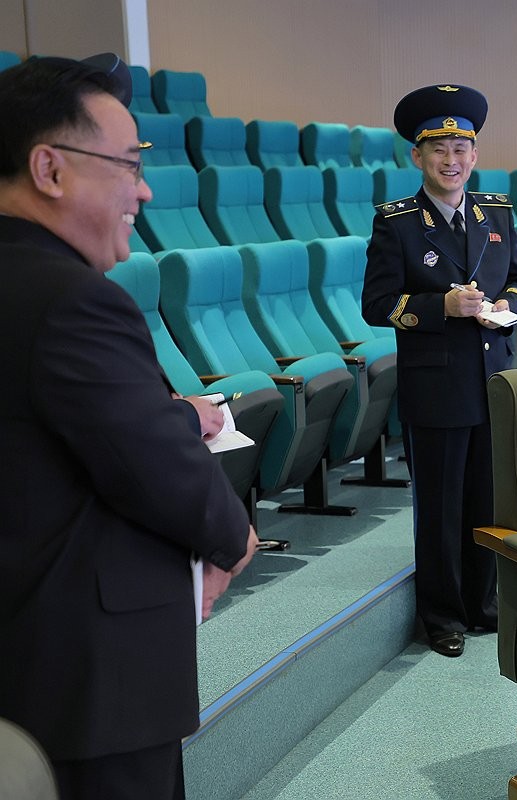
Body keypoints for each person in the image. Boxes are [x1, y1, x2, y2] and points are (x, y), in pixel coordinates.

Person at [0, 54, 257, 800]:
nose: (143, 188)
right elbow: (151, 466)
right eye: (126, 163)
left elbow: (53, 427)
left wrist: (170, 415)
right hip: (88, 680)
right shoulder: (72, 300)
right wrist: (231, 534)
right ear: (49, 168)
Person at [362, 84, 517, 658]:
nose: (452, 160)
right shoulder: (398, 223)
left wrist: (509, 306)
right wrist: (441, 308)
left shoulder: (497, 214)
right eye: (439, 149)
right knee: (440, 509)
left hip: (492, 382)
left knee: (486, 502)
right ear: (417, 156)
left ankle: (483, 604)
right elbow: (377, 304)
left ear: (475, 155)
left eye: (462, 148)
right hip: (435, 385)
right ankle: (442, 614)